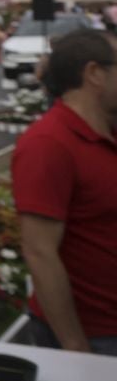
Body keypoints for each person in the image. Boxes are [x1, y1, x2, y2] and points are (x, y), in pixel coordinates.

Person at [12, 29, 117, 355]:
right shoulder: (49, 144)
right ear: (95, 74)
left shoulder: (106, 133)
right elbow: (40, 252)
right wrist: (74, 345)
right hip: (96, 338)